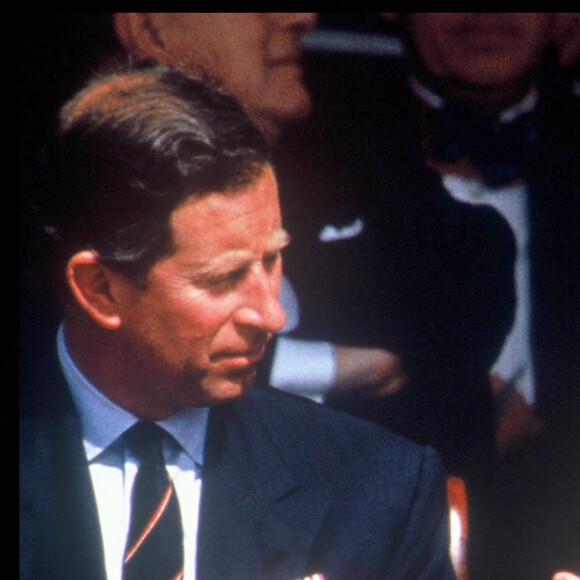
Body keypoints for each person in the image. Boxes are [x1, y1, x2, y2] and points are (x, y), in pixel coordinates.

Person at [19, 61, 455, 580]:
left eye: (271, 260)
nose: (270, 314)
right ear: (100, 289)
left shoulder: (377, 491)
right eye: (222, 279)